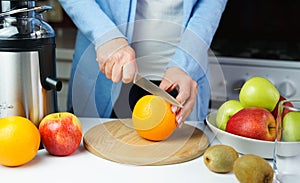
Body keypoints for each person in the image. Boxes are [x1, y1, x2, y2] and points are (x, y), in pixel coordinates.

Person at [58, 0, 227, 126]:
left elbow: (210, 8)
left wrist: (185, 64)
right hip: (107, 73)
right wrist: (105, 35)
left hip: (180, 77)